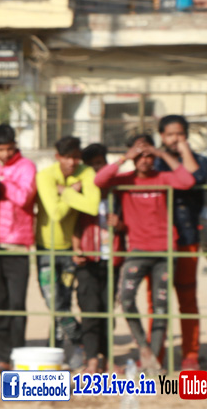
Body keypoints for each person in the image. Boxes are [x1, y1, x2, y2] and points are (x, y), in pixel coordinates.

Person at [96, 134, 194, 370]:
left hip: (165, 251)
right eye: (139, 155)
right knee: (126, 299)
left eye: (149, 155)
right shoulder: (125, 179)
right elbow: (100, 180)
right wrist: (124, 158)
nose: (144, 160)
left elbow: (187, 180)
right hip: (137, 250)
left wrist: (161, 154)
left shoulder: (163, 177)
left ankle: (153, 362)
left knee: (161, 306)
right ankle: (144, 347)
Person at [35, 136, 100, 361]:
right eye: (67, 158)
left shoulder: (86, 172)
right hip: (46, 249)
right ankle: (81, 340)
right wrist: (74, 192)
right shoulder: (45, 176)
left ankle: (54, 351)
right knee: (54, 302)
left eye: (76, 157)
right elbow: (56, 213)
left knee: (62, 303)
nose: (72, 162)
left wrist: (65, 191)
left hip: (70, 250)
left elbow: (92, 206)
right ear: (58, 157)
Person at [151, 115, 207, 369]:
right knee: (156, 301)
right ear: (162, 136)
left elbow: (196, 178)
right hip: (157, 242)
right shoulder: (153, 162)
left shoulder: (199, 161)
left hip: (186, 239)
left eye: (180, 134)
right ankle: (155, 355)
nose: (175, 139)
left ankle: (190, 355)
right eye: (170, 134)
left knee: (187, 298)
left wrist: (185, 152)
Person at [0, 124, 37, 370]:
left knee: (16, 303)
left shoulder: (27, 167)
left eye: (9, 149)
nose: (4, 154)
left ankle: (18, 353)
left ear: (15, 145)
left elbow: (24, 197)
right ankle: (3, 354)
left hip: (17, 243)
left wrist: (0, 183)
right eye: (0, 149)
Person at [73, 143, 116, 373]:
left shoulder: (117, 192)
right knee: (89, 309)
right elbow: (74, 223)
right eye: (91, 166)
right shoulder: (81, 192)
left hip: (112, 260)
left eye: (100, 164)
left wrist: (119, 224)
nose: (96, 170)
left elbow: (127, 225)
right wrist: (76, 248)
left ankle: (108, 358)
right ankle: (91, 359)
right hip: (88, 259)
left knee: (108, 310)